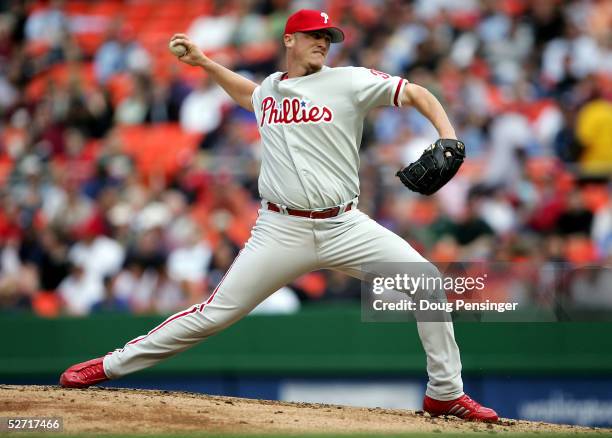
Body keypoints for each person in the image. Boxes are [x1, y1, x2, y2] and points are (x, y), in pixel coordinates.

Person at [59, 9, 498, 423]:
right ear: (290, 38)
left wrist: (448, 135)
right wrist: (206, 63)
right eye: (314, 36)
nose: (323, 43)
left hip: (344, 224)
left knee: (426, 282)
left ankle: (444, 392)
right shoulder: (269, 89)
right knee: (213, 315)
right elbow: (248, 93)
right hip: (280, 228)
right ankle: (109, 366)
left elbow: (416, 92)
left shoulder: (349, 81)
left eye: (328, 37)